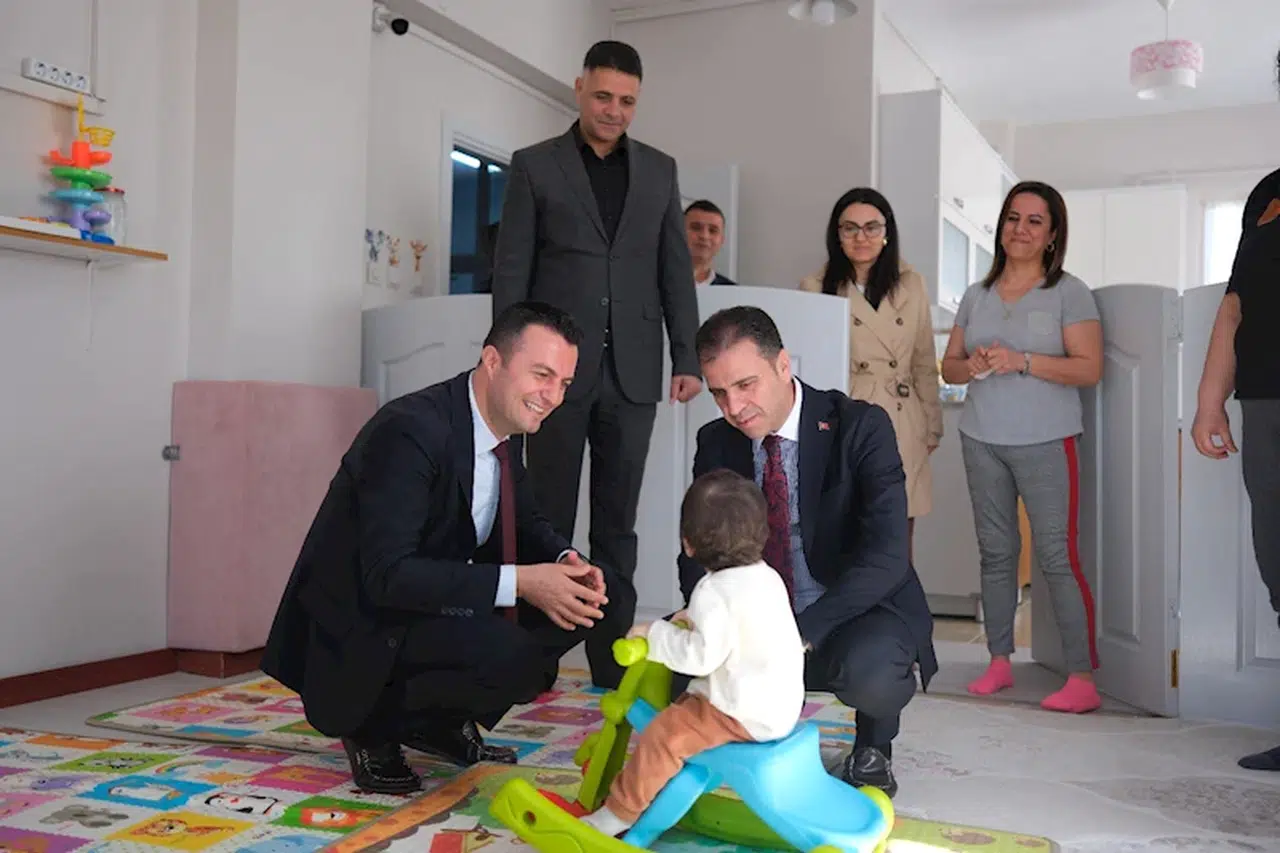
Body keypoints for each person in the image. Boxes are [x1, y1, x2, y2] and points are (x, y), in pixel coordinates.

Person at [260, 302, 635, 795]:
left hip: (432, 605)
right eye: (542, 375)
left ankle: (436, 722)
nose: (553, 396)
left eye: (564, 383)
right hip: (365, 627)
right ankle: (374, 725)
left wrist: (567, 561)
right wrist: (524, 582)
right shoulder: (409, 429)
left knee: (606, 598)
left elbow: (526, 522)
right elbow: (388, 576)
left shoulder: (503, 429)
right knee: (509, 654)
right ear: (493, 361)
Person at [491, 40, 702, 689]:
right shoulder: (535, 166)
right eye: (604, 96)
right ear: (580, 88)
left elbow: (674, 271)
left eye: (627, 101)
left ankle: (611, 660)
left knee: (618, 525)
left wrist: (686, 354)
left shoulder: (661, 171)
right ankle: (536, 660)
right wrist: (512, 358)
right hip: (553, 376)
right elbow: (512, 269)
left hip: (635, 371)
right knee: (547, 517)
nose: (614, 110)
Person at [679, 306, 938, 798]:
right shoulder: (716, 441)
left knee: (872, 671)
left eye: (745, 385)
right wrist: (705, 615)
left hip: (850, 611)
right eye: (719, 393)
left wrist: (797, 634)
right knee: (674, 669)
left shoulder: (860, 426)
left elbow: (888, 556)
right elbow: (697, 549)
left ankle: (874, 746)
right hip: (758, 614)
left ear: (783, 365)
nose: (734, 407)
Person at [939, 181, 1103, 714]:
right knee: (996, 552)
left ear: (1053, 234)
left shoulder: (1069, 292)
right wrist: (973, 365)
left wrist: (1023, 361)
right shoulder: (976, 294)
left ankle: (1081, 677)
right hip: (981, 438)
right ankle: (999, 661)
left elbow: (1089, 368)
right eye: (1013, 218)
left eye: (1035, 221)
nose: (1021, 229)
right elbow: (949, 367)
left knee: (1057, 556)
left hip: (1047, 441)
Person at [581, 469, 805, 837]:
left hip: (740, 711)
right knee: (684, 712)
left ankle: (619, 812)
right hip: (781, 707)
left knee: (663, 734)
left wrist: (656, 634)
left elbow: (699, 658)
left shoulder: (712, 591)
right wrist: (691, 617)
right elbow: (740, 622)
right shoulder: (767, 576)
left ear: (688, 544)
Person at [1190, 112, 1280, 769]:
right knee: (1277, 564)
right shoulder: (1267, 195)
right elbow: (1234, 307)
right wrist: (1208, 401)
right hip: (1266, 406)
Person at [800, 188, 942, 559]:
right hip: (846, 415)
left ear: (886, 232)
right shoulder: (815, 287)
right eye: (850, 228)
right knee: (847, 533)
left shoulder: (912, 283)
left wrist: (932, 424)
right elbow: (811, 369)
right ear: (837, 235)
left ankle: (898, 599)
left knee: (898, 533)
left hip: (904, 417)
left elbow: (924, 359)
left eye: (871, 227)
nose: (861, 237)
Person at [685, 199, 737, 286]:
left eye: (713, 230)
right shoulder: (660, 282)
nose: (704, 236)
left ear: (722, 240)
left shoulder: (734, 291)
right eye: (696, 228)